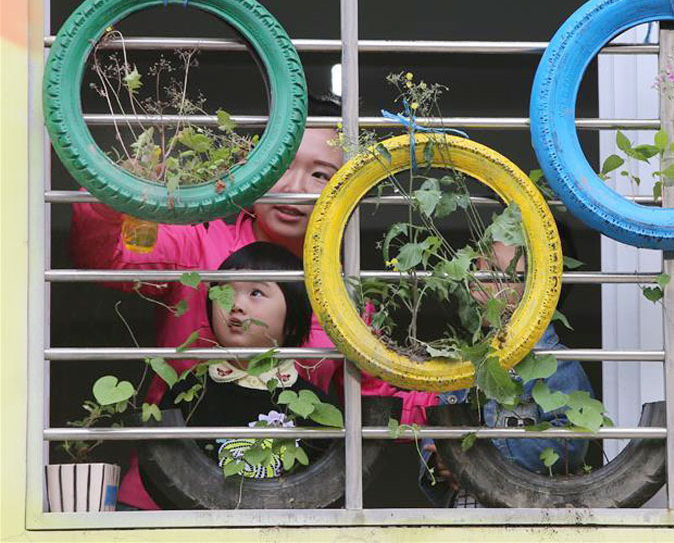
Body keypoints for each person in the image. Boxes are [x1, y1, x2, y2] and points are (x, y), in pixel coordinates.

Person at [70, 96, 432, 509]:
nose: (293, 189)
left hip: (284, 506)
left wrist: (456, 410)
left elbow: (375, 398)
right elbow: (104, 255)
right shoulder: (200, 244)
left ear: (348, 187)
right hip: (162, 500)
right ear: (254, 166)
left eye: (319, 174)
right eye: (280, 167)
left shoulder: (346, 291)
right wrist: (120, 189)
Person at [419, 240, 594, 508]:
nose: (477, 284)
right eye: (478, 269)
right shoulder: (464, 363)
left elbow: (570, 444)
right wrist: (439, 457)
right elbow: (438, 426)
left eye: (494, 272)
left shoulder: (556, 363)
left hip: (528, 517)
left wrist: (476, 454)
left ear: (535, 290)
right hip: (464, 515)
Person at [161, 242, 336, 479]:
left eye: (256, 293)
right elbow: (167, 470)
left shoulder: (314, 407)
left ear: (293, 320)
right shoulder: (187, 392)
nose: (236, 306)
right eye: (225, 293)